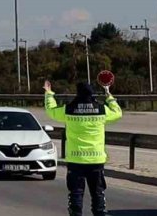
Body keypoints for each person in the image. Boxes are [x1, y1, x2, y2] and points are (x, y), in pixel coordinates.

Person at [44, 80, 122, 216]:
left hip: (76, 159)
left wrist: (49, 94)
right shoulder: (101, 109)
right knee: (98, 193)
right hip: (95, 159)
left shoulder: (69, 109)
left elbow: (51, 111)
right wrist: (108, 95)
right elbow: (118, 112)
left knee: (76, 193)